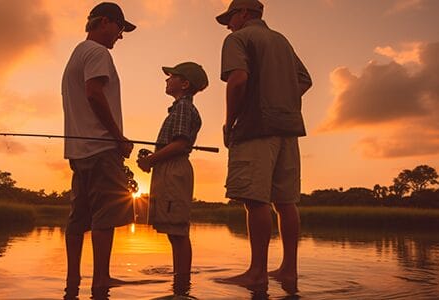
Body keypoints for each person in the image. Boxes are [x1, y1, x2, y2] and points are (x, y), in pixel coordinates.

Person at [214, 0, 312, 287]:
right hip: (289, 128)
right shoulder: (281, 40)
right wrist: (283, 98)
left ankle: (256, 272)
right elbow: (304, 80)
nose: (228, 25)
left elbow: (238, 80)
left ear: (243, 14)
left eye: (230, 18)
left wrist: (229, 122)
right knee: (286, 202)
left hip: (255, 127)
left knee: (255, 200)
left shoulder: (238, 38)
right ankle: (288, 271)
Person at [60, 2, 136, 297]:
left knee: (78, 219)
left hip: (78, 152)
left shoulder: (76, 54)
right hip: (102, 149)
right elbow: (94, 93)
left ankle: (72, 281)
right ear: (104, 22)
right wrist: (118, 138)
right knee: (106, 216)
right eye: (119, 28)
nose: (120, 36)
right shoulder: (97, 52)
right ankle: (102, 281)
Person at [136, 62, 207, 295]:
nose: (167, 80)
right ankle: (180, 284)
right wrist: (154, 157)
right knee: (174, 232)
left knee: (178, 231)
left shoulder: (183, 108)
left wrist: (152, 160)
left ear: (184, 84)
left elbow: (180, 144)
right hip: (169, 169)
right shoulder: (179, 108)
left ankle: (182, 287)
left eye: (172, 76)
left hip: (173, 170)